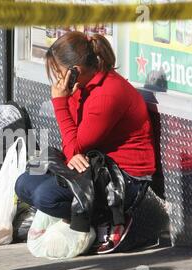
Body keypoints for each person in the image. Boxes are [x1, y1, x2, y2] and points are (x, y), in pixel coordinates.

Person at [15, 31, 156, 254]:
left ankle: (107, 218)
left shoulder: (108, 94)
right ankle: (87, 215)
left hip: (124, 180)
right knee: (24, 183)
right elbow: (72, 144)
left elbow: (76, 145)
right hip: (94, 165)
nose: (56, 79)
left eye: (58, 72)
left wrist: (60, 102)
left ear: (75, 71)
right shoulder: (82, 87)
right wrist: (69, 98)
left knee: (46, 196)